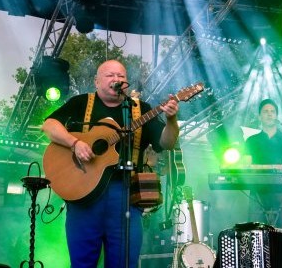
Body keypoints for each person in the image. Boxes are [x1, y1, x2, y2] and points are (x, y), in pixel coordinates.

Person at [41, 59, 180, 268]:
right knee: (82, 263)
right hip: (83, 195)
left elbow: (167, 143)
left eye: (121, 76)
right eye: (110, 75)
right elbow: (49, 125)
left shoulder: (140, 109)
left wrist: (171, 120)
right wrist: (75, 143)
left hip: (125, 195)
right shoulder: (81, 103)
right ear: (96, 81)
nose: (117, 79)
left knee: (125, 263)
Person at [244, 98, 282, 228]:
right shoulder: (251, 140)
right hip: (258, 192)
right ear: (260, 116)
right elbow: (246, 165)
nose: (269, 114)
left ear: (277, 116)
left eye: (272, 111)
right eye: (266, 111)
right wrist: (272, 167)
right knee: (255, 232)